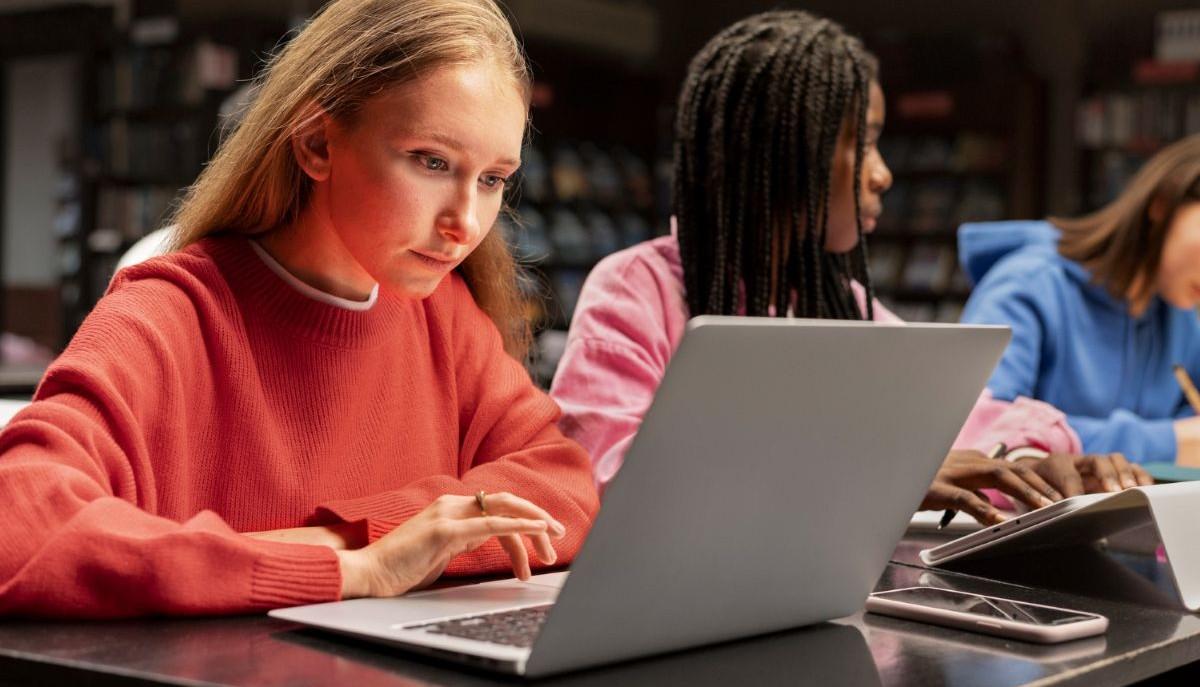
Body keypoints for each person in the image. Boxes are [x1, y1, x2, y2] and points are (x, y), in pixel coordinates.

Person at [0, 0, 598, 618]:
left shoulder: (446, 317)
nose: (465, 223)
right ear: (316, 145)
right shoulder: (169, 315)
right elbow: (19, 529)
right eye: (431, 162)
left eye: (493, 179)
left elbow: (566, 487)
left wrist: (363, 539)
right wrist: (355, 567)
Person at [550, 10, 1149, 527]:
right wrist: (882, 473)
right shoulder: (637, 289)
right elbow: (615, 484)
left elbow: (976, 417)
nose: (883, 173)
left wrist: (1021, 465)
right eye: (863, 142)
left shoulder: (839, 300)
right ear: (781, 150)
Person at [960, 134, 1200, 466]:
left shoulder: (1182, 315)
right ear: (1163, 203)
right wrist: (1167, 441)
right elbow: (978, 434)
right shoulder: (1030, 286)